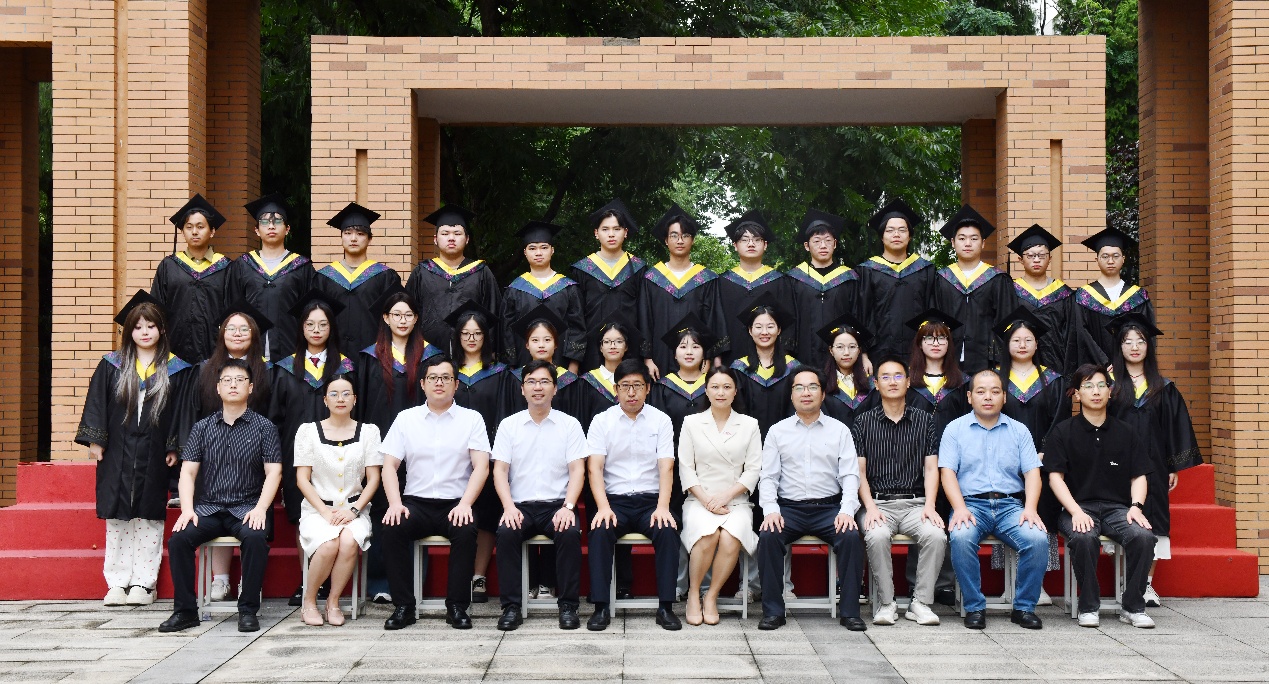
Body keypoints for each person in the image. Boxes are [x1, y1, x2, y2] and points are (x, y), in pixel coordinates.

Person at [77, 291, 192, 607]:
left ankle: (144, 582)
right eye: (138, 326)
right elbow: (97, 402)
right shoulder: (112, 365)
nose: (145, 332)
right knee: (117, 514)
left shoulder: (176, 368)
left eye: (151, 326)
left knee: (149, 514)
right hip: (117, 448)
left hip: (155, 450)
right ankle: (116, 582)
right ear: (129, 331)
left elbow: (181, 411)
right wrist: (96, 440)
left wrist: (174, 445)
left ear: (162, 329)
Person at [159, 358, 282, 633]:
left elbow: (274, 472)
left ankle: (247, 610)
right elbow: (188, 472)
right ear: (218, 388)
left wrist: (261, 508)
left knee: (255, 538)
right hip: (209, 509)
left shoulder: (265, 427)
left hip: (247, 509)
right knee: (179, 540)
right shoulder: (202, 427)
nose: (233, 385)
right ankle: (185, 611)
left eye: (240, 380)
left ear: (250, 387)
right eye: (227, 380)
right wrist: (187, 510)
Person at [378, 355, 491, 630]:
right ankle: (404, 606)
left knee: (466, 529)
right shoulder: (406, 419)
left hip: (456, 503)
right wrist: (395, 503)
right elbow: (389, 466)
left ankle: (457, 607)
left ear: (456, 384)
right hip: (416, 504)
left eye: (446, 378)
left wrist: (465, 504)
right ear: (423, 384)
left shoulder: (471, 419)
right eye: (433, 378)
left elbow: (482, 467)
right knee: (392, 527)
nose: (439, 383)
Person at [1046, 364, 1157, 629]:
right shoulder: (1062, 432)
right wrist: (1075, 511)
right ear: (1076, 394)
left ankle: (1133, 606)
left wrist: (1136, 507)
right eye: (1088, 386)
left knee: (1143, 537)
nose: (1095, 392)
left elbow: (1139, 475)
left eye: (1101, 385)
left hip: (1117, 508)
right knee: (1084, 537)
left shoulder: (1126, 431)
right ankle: (1088, 606)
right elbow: (1055, 478)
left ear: (1110, 391)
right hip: (1077, 507)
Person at [756, 368, 867, 632]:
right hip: (789, 509)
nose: (806, 393)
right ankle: (773, 611)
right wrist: (770, 510)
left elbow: (850, 475)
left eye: (812, 387)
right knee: (768, 536)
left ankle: (850, 612)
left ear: (823, 393)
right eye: (799, 388)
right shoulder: (777, 431)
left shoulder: (839, 430)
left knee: (851, 536)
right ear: (791, 395)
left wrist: (847, 510)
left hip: (829, 508)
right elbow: (768, 477)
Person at [179, 300, 274, 603]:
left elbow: (275, 412)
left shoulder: (268, 370)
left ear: (254, 334)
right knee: (214, 508)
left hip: (254, 455)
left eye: (244, 329)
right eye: (231, 328)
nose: (237, 333)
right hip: (213, 453)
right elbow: (192, 411)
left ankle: (249, 583)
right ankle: (219, 581)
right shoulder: (206, 370)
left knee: (252, 522)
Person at [939, 370, 1049, 630]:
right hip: (971, 505)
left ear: (1004, 397)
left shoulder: (1019, 430)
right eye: (981, 391)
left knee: (1037, 539)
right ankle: (975, 607)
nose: (988, 397)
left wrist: (1030, 508)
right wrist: (959, 508)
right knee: (961, 537)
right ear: (969, 397)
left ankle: (1024, 608)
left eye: (995, 391)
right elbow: (947, 473)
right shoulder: (955, 429)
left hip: (1010, 506)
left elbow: (1033, 473)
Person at [1107, 312, 1202, 607]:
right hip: (1115, 466)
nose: (1134, 347)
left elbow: (1174, 427)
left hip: (1154, 466)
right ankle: (1123, 581)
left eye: (1140, 341)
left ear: (1149, 347)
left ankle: (1146, 585)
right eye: (1127, 341)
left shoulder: (1163, 386)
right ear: (1119, 347)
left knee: (1154, 522)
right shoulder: (1109, 383)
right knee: (1118, 518)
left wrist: (1173, 466)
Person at [354, 284, 441, 605]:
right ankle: (381, 582)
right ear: (386, 318)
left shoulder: (431, 357)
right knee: (382, 511)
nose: (402, 320)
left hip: (420, 447)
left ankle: (414, 581)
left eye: (408, 315)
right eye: (397, 315)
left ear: (416, 318)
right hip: (380, 446)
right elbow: (361, 407)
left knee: (416, 508)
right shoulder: (369, 358)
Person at [269, 289, 356, 605]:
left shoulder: (345, 367)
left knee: (335, 513)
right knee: (303, 516)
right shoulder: (285, 368)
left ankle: (329, 584)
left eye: (322, 324)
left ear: (331, 327)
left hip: (339, 454)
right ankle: (309, 579)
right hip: (298, 456)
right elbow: (276, 418)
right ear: (301, 328)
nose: (316, 330)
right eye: (310, 324)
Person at [491, 360, 589, 631]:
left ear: (555, 388)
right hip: (519, 506)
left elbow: (578, 470)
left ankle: (568, 606)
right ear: (522, 389)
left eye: (544, 382)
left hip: (557, 505)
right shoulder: (509, 425)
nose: (538, 387)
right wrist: (508, 507)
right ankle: (511, 607)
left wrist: (569, 506)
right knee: (506, 532)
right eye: (531, 382)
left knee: (569, 532)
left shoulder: (569, 425)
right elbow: (500, 470)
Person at [585, 359, 682, 631]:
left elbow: (666, 467)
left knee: (667, 529)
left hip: (651, 501)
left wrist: (663, 507)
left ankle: (666, 607)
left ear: (648, 388)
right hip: (614, 501)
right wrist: (603, 507)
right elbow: (594, 468)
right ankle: (601, 607)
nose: (631, 393)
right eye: (625, 386)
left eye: (637, 386)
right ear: (615, 389)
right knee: (600, 530)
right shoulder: (601, 421)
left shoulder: (661, 420)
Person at [852, 356, 945, 627]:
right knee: (877, 535)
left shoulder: (925, 420)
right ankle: (886, 603)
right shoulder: (863, 422)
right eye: (885, 377)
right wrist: (870, 508)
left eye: (897, 376)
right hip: (878, 504)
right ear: (876, 384)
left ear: (908, 382)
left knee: (936, 535)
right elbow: (859, 473)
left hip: (916, 504)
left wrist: (930, 505)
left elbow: (931, 468)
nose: (892, 382)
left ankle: (921, 603)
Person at [293, 376, 383, 626]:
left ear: (354, 399)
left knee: (348, 541)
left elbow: (374, 479)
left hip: (355, 509)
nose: (340, 399)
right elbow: (302, 479)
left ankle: (333, 602)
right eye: (333, 394)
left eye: (346, 394)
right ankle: (309, 601)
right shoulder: (308, 432)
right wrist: (324, 511)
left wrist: (354, 510)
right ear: (325, 400)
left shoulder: (369, 432)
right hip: (318, 509)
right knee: (329, 543)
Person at [992, 307, 1068, 601]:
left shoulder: (1053, 380)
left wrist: (1045, 450)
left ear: (1037, 344)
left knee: (1041, 517)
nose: (1022, 345)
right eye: (1016, 340)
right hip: (1002, 461)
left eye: (1028, 340)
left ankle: (1039, 584)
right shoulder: (995, 380)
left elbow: (1060, 420)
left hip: (1042, 461)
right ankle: (1008, 582)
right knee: (1005, 515)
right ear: (1006, 344)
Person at [677, 366, 761, 626]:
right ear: (706, 390)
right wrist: (707, 500)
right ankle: (694, 593)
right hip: (699, 499)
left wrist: (725, 496)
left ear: (735, 392)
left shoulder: (749, 425)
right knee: (708, 534)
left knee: (730, 536)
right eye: (715, 387)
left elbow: (753, 469)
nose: (721, 392)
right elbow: (686, 467)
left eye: (727, 387)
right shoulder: (692, 422)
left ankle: (711, 596)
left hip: (735, 500)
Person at [447, 299, 514, 604]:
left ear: (486, 337)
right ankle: (459, 577)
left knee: (486, 514)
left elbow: (503, 415)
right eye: (465, 333)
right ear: (457, 336)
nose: (471, 338)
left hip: (487, 455)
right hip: (452, 456)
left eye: (477, 333)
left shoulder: (499, 373)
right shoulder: (447, 372)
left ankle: (478, 576)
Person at [903, 309, 969, 606]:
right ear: (919, 343)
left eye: (941, 338)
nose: (935, 343)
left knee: (948, 519)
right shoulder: (908, 381)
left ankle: (944, 583)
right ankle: (916, 582)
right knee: (921, 517)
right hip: (915, 462)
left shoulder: (961, 382)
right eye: (928, 338)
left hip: (954, 464)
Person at [638, 203, 728, 380]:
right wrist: (647, 359)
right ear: (666, 240)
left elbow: (713, 320)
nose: (680, 240)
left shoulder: (706, 278)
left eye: (685, 235)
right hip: (659, 358)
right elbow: (644, 320)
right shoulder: (651, 278)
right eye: (674, 236)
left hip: (697, 360)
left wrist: (709, 358)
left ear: (692, 240)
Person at [227, 193, 315, 361]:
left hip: (291, 353)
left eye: (278, 221)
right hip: (249, 354)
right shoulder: (242, 265)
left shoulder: (301, 267)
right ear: (256, 230)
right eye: (265, 222)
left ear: (287, 229)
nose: (271, 226)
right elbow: (232, 308)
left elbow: (309, 313)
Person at [930, 205, 1017, 373]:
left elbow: (1006, 322)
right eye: (962, 238)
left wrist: (1000, 362)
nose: (968, 243)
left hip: (987, 363)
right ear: (953, 243)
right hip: (947, 362)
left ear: (983, 243)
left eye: (974, 238)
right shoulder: (941, 279)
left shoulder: (997, 279)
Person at [404, 205, 501, 349]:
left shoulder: (481, 272)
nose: (451, 238)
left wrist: (490, 352)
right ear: (435, 239)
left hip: (471, 355)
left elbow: (493, 313)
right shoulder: (422, 273)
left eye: (457, 233)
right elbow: (408, 312)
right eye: (445, 233)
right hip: (428, 354)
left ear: (467, 239)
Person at [151, 194, 231, 363]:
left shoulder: (226, 267)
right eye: (189, 227)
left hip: (215, 353)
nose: (194, 231)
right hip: (174, 352)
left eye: (200, 227)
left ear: (212, 231)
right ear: (182, 231)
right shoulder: (169, 266)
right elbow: (156, 309)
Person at [315, 202, 403, 356]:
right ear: (341, 237)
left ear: (369, 239)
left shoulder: (385, 276)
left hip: (373, 355)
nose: (353, 238)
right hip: (333, 356)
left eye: (360, 234)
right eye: (348, 233)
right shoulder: (325, 277)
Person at [855, 199, 936, 364]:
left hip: (918, 353)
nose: (896, 235)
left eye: (902, 230)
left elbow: (933, 312)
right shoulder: (868, 271)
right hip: (878, 353)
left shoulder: (925, 270)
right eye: (890, 230)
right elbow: (862, 314)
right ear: (882, 236)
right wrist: (863, 354)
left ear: (910, 236)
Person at [571, 199, 647, 371]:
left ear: (625, 232)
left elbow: (643, 313)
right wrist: (575, 359)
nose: (611, 234)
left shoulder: (638, 268)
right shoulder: (583, 269)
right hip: (591, 349)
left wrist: (645, 354)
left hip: (629, 348)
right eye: (605, 229)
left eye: (617, 229)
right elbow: (577, 316)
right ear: (596, 233)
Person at [500, 221, 585, 370]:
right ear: (525, 252)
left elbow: (577, 328)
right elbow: (507, 331)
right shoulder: (515, 289)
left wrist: (573, 369)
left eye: (544, 247)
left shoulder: (568, 288)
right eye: (532, 248)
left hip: (562, 367)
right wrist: (512, 368)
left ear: (552, 250)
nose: (538, 253)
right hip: (523, 366)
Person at [718, 210, 794, 365]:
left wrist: (784, 357)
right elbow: (717, 322)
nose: (751, 244)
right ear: (735, 245)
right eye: (745, 240)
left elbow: (788, 322)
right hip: (731, 358)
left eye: (757, 240)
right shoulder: (721, 282)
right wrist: (717, 358)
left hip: (772, 361)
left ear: (765, 245)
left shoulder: (779, 281)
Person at [787, 208, 859, 369]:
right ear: (807, 246)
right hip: (803, 354)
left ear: (835, 244)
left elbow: (857, 315)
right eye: (817, 241)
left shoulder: (849, 277)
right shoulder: (794, 278)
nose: (823, 245)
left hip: (841, 356)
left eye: (828, 240)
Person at [1075, 227, 1154, 368]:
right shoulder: (1084, 296)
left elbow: (1146, 335)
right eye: (1105, 256)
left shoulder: (1137, 297)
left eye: (1115, 256)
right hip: (1095, 371)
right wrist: (1103, 363)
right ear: (1097, 260)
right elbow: (1081, 334)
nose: (1110, 261)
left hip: (1130, 370)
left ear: (1123, 259)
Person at [1007, 224, 1079, 376]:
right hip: (1018, 368)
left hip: (1057, 366)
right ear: (1020, 260)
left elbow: (1072, 335)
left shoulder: (1064, 293)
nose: (1036, 260)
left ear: (1050, 258)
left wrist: (1070, 376)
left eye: (1042, 255)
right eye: (1030, 255)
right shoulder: (1010, 292)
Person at [730, 292, 803, 439]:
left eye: (770, 326)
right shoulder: (739, 368)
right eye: (758, 327)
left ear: (779, 330)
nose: (764, 332)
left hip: (787, 440)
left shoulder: (794, 368)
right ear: (750, 330)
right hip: (747, 441)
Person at [508, 304, 582, 415]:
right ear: (527, 345)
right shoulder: (515, 379)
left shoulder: (569, 380)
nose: (541, 345)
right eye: (535, 340)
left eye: (547, 340)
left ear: (555, 344)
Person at [577, 315, 640, 432]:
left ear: (626, 346)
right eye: (606, 342)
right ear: (600, 347)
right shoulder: (588, 382)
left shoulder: (637, 381)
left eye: (619, 341)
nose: (613, 346)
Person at [817, 313, 877, 428]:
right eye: (840, 347)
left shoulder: (872, 384)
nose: (846, 353)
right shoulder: (821, 384)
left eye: (852, 347)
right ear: (831, 350)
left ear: (859, 350)